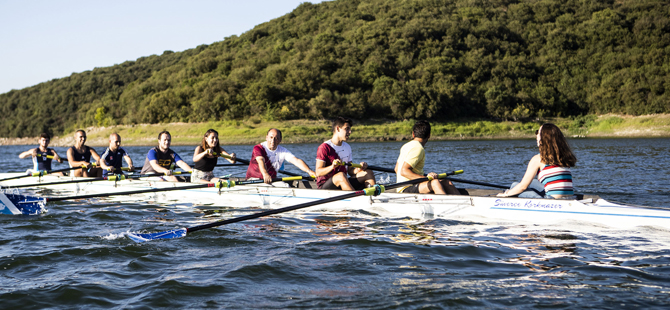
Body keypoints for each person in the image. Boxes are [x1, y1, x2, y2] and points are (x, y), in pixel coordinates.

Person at [497, 123, 577, 199]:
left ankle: (540, 201)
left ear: (544, 138)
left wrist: (505, 194)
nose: (536, 136)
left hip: (552, 200)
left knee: (515, 186)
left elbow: (523, 186)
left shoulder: (538, 158)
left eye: (538, 133)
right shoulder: (564, 157)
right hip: (570, 198)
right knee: (526, 183)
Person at [394, 120, 460, 195]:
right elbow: (404, 171)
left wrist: (427, 177)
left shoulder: (405, 146)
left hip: (407, 186)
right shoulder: (418, 148)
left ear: (413, 134)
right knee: (435, 183)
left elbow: (396, 169)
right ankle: (445, 205)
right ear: (429, 135)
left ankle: (463, 202)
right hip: (406, 188)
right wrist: (425, 179)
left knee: (446, 181)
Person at [315, 117, 375, 190]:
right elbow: (318, 172)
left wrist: (358, 169)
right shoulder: (324, 147)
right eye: (346, 129)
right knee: (341, 175)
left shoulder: (347, 147)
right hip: (325, 186)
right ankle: (356, 199)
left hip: (343, 180)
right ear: (338, 129)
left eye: (350, 129)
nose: (350, 132)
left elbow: (350, 171)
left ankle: (375, 197)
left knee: (368, 173)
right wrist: (332, 166)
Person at [246, 128, 316, 184]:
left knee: (286, 186)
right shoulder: (258, 148)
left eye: (276, 138)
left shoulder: (283, 151)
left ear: (280, 140)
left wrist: (309, 171)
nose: (273, 140)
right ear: (266, 137)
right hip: (254, 180)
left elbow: (296, 161)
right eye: (271, 137)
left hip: (271, 180)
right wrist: (265, 174)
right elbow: (261, 161)